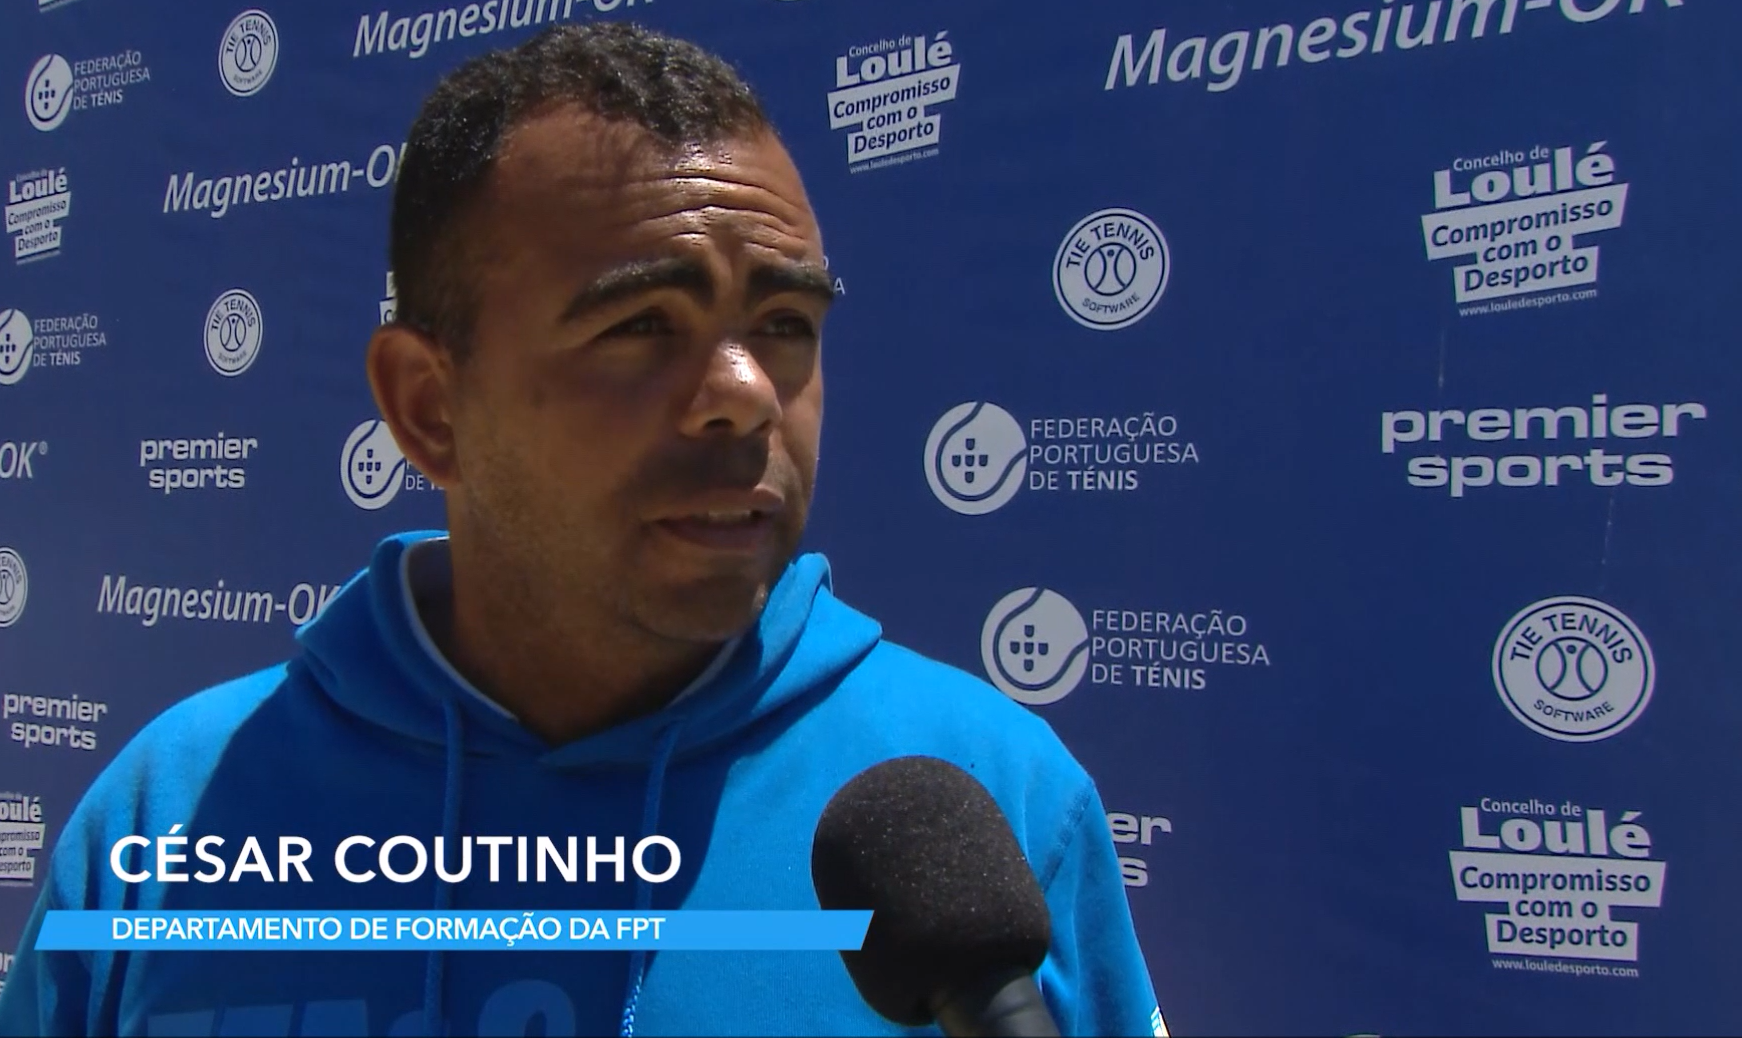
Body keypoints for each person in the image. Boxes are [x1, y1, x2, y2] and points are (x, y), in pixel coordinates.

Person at [0, 23, 1164, 1038]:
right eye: (641, 325)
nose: (745, 395)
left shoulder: (996, 800)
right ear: (428, 408)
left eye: (784, 322)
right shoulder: (165, 819)